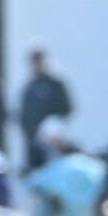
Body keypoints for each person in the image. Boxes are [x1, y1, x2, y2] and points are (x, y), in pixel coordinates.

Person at [25, 119, 106, 216]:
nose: (55, 142)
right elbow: (37, 174)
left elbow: (80, 164)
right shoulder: (36, 152)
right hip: (50, 189)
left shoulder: (70, 148)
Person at [19, 44, 74, 172]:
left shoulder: (56, 84)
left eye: (39, 59)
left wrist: (54, 129)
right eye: (34, 60)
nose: (37, 63)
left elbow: (67, 109)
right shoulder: (29, 87)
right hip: (35, 146)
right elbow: (24, 116)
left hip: (54, 143)